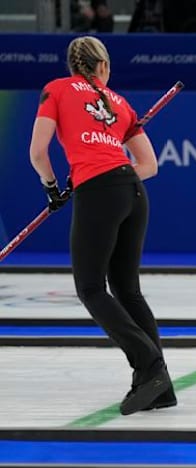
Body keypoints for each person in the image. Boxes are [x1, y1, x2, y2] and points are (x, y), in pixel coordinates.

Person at [29, 36, 175, 415]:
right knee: (127, 291)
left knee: (91, 287)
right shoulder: (120, 103)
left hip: (100, 191)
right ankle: (159, 385)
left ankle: (150, 366)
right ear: (103, 67)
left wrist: (52, 188)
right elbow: (150, 166)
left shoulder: (56, 89)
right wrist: (112, 177)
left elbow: (38, 152)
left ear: (72, 66)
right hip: (133, 191)